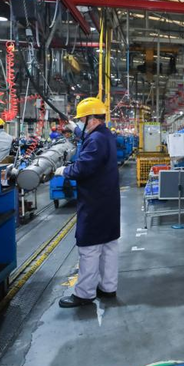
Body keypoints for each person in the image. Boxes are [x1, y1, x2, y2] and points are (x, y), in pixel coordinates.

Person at [55, 97, 120, 308]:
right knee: (108, 245)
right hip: (108, 200)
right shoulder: (105, 134)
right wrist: (74, 128)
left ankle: (84, 294)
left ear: (92, 119)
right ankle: (108, 288)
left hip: (94, 202)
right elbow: (88, 138)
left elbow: (83, 167)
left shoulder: (96, 140)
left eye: (82, 120)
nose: (81, 123)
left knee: (89, 248)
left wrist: (64, 170)